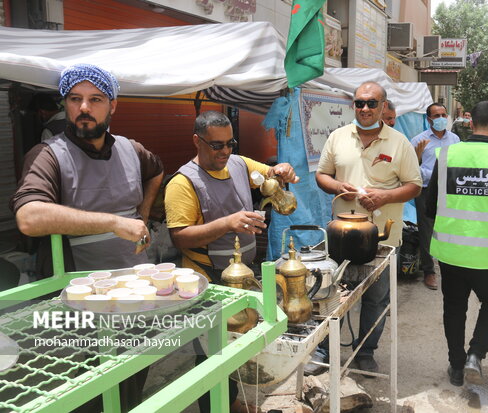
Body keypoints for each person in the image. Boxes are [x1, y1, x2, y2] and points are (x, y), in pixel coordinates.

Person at [10, 63, 164, 410]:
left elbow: (157, 171)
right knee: (87, 391)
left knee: (131, 380)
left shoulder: (131, 149)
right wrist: (113, 222)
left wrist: (142, 214)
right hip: (79, 307)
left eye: (95, 99)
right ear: (65, 104)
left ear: (112, 105)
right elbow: (29, 218)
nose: (84, 108)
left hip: (134, 293)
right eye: (75, 98)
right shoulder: (48, 155)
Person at [164, 110, 298, 413]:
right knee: (211, 355)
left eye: (229, 143)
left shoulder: (237, 163)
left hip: (240, 277)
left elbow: (269, 173)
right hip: (207, 280)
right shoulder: (183, 182)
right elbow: (181, 237)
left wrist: (282, 170)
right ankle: (216, 407)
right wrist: (228, 223)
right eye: (216, 145)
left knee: (236, 346)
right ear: (197, 141)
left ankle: (233, 402)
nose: (225, 151)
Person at [314, 81, 422, 374]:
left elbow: (414, 186)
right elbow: (321, 175)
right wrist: (338, 186)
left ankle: (365, 352)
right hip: (341, 235)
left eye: (371, 103)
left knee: (376, 298)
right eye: (359, 103)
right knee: (329, 294)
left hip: (383, 237)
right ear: (353, 105)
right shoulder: (337, 137)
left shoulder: (399, 142)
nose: (364, 108)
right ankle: (323, 351)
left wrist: (385, 197)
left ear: (383, 106)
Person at [425, 100, 488, 386]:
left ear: (469, 123)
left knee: (454, 307)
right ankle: (475, 354)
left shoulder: (445, 155)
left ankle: (456, 367)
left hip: (450, 251)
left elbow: (430, 208)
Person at [410, 103, 460, 290]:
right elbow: (408, 169)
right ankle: (429, 270)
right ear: (429, 119)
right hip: (426, 190)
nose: (441, 118)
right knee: (426, 230)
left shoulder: (455, 140)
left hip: (449, 190)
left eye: (443, 115)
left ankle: (450, 266)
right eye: (436, 115)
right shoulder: (418, 140)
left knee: (449, 228)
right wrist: (417, 155)